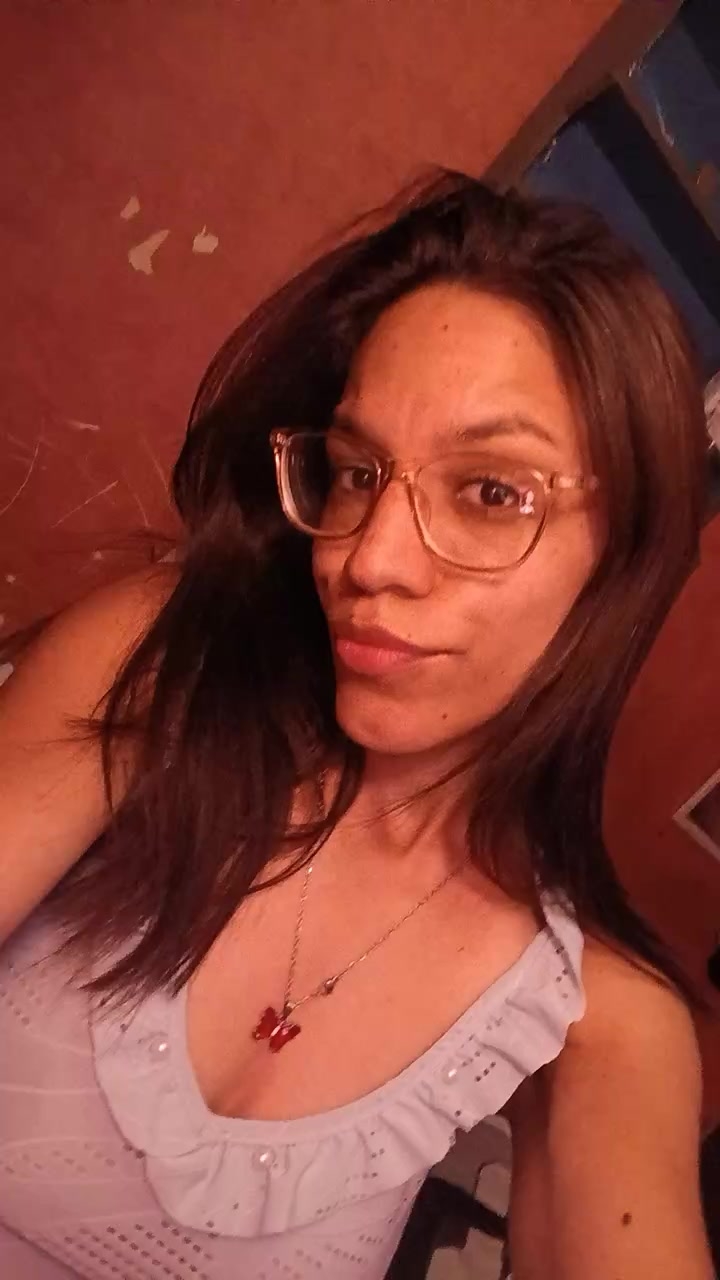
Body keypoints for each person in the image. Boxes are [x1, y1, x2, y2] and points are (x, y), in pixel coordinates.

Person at [0, 170, 714, 1280]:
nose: (366, 558)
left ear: (621, 560)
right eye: (354, 471)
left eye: (491, 492)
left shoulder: (600, 1020)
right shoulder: (164, 673)